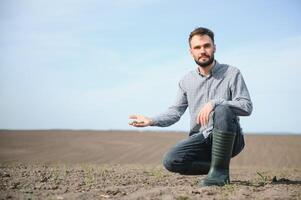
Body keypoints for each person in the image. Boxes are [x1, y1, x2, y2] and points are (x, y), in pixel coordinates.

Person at [129, 27, 252, 186]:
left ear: (214, 47)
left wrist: (215, 102)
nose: (203, 51)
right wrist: (152, 120)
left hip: (230, 137)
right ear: (191, 52)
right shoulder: (186, 81)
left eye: (207, 46)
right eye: (197, 47)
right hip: (201, 138)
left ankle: (219, 174)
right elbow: (175, 111)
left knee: (222, 109)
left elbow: (246, 105)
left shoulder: (232, 73)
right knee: (171, 160)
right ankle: (218, 168)